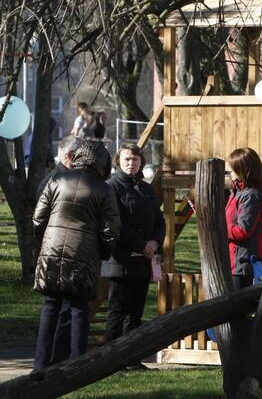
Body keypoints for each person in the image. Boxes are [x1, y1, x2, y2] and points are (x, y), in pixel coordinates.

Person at [33, 140, 120, 369]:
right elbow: (111, 229)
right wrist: (103, 251)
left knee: (50, 306)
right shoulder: (104, 189)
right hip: (85, 253)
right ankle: (76, 365)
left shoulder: (57, 179)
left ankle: (40, 365)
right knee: (79, 308)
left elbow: (38, 218)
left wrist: (46, 242)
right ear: (103, 163)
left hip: (51, 252)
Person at [104, 144, 164, 344]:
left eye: (135, 159)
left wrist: (155, 242)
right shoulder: (112, 187)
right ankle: (111, 358)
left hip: (144, 262)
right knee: (117, 311)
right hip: (122, 260)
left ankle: (131, 359)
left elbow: (159, 220)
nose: (131, 163)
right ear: (118, 161)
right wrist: (141, 245)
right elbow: (117, 224)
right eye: (127, 159)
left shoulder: (147, 189)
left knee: (135, 313)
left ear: (141, 162)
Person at [226, 147, 262, 290]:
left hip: (243, 265)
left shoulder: (250, 196)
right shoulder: (237, 193)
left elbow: (243, 230)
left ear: (244, 169)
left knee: (238, 310)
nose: (229, 171)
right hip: (233, 261)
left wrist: (220, 228)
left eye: (233, 168)